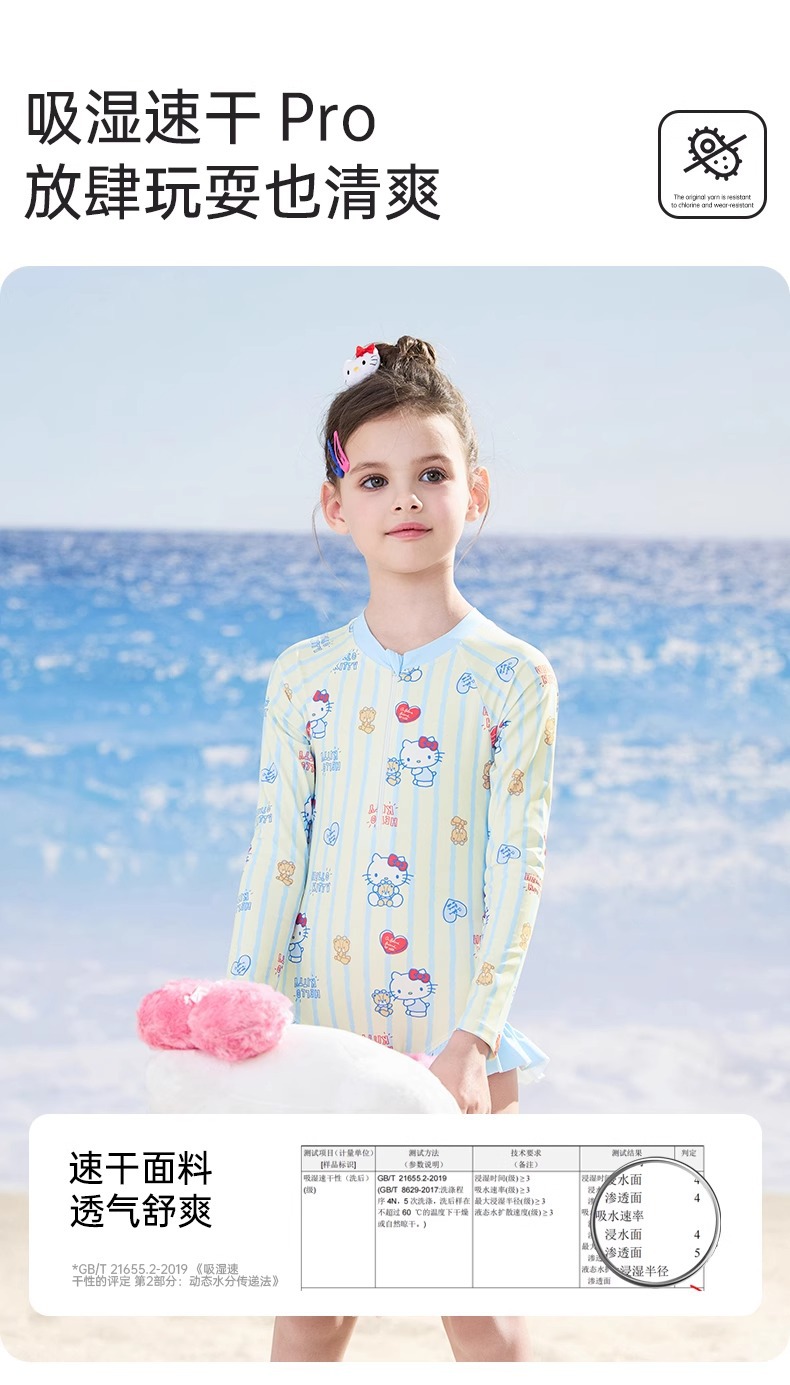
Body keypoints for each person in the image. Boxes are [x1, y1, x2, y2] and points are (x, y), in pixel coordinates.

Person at [227, 336, 559, 1362]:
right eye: (373, 479)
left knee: (486, 1318)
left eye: (431, 472)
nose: (405, 497)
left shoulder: (514, 675)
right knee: (311, 1310)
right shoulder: (305, 675)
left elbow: (518, 863)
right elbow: (277, 853)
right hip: (322, 1034)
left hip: (457, 1036)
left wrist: (474, 1036)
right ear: (337, 505)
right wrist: (241, 1015)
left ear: (475, 491)